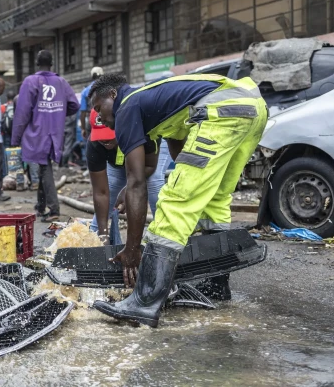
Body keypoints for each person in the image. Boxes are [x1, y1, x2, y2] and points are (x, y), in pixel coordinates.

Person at [89, 73, 267, 328]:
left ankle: (144, 301)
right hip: (253, 109)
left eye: (99, 108)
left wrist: (132, 249)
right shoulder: (157, 103)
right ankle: (216, 286)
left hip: (222, 113)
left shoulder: (127, 105)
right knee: (213, 199)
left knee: (176, 200)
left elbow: (138, 183)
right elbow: (175, 150)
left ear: (113, 96)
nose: (100, 118)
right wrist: (130, 189)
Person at [12, 50, 79, 222]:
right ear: (52, 64)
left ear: (36, 63)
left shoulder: (30, 81)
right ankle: (40, 206)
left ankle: (54, 208)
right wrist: (58, 113)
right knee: (44, 165)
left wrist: (15, 139)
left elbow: (22, 113)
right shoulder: (61, 82)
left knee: (44, 167)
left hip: (37, 132)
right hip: (55, 132)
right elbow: (74, 105)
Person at [85, 109, 171, 242]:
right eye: (100, 135)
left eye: (109, 135)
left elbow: (148, 167)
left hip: (151, 151)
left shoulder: (142, 131)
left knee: (153, 182)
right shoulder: (95, 144)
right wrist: (103, 234)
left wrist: (128, 189)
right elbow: (101, 192)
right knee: (111, 187)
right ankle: (95, 236)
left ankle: (165, 236)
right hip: (120, 156)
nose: (104, 140)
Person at [79, 66, 104, 141]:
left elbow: (83, 112)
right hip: (105, 120)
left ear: (92, 76)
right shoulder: (108, 88)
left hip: (91, 121)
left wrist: (83, 129)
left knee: (91, 144)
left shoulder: (85, 91)